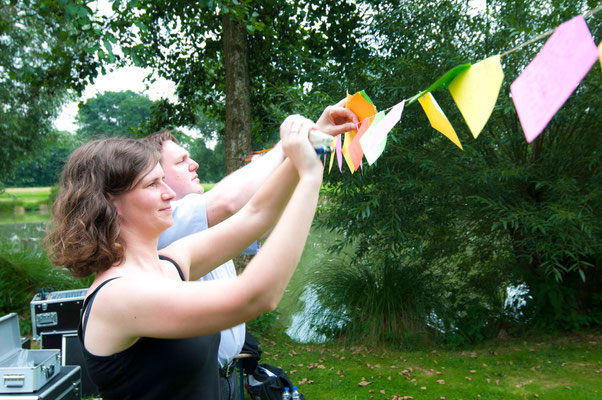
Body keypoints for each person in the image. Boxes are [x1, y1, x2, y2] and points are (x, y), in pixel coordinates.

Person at [46, 115, 326, 399]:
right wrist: (310, 177)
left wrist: (314, 143)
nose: (169, 193)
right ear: (110, 203)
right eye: (152, 184)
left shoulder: (167, 265)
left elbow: (256, 214)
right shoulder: (117, 296)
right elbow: (257, 295)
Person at [143, 100, 358, 399]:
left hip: (230, 375)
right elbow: (233, 204)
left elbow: (258, 214)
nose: (195, 165)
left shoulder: (193, 229)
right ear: (155, 178)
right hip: (195, 385)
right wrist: (293, 154)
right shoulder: (164, 227)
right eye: (180, 162)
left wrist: (315, 140)